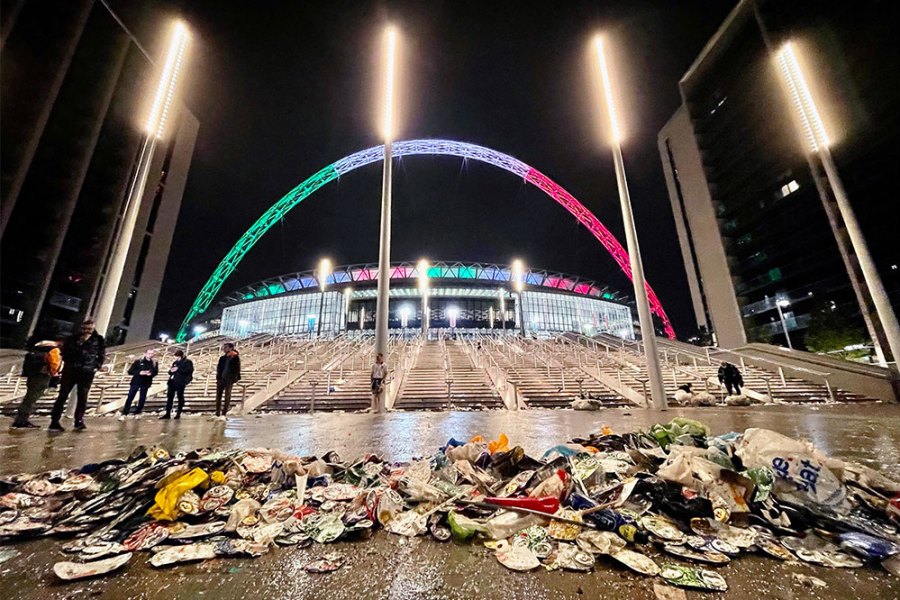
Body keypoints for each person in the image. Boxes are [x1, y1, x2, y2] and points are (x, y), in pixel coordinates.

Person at [49, 318, 106, 431]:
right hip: (71, 370)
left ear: (93, 328)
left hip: (87, 372)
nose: (87, 331)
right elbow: (64, 352)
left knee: (82, 397)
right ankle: (55, 421)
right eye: (85, 328)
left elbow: (101, 354)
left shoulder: (98, 340)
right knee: (63, 395)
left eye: (89, 329)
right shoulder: (73, 339)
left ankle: (79, 420)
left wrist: (96, 366)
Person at [11, 338, 61, 428]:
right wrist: (54, 374)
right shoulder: (53, 350)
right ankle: (21, 421)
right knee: (31, 399)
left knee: (28, 398)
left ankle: (20, 419)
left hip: (32, 376)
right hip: (43, 375)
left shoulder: (35, 350)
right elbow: (54, 363)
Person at [119, 349, 159, 418]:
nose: (150, 355)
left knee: (142, 398)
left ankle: (138, 411)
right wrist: (139, 373)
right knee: (130, 396)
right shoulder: (138, 361)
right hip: (136, 381)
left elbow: (155, 372)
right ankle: (125, 412)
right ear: (145, 353)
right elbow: (130, 371)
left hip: (146, 382)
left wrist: (151, 374)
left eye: (152, 353)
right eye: (149, 353)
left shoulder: (154, 363)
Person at [161, 349, 194, 420]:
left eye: (177, 356)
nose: (176, 358)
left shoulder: (187, 362)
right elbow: (171, 371)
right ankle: (167, 413)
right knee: (170, 397)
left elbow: (189, 370)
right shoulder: (175, 362)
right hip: (172, 381)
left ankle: (178, 413)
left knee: (180, 397)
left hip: (181, 382)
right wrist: (170, 371)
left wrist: (178, 369)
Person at [215, 343, 241, 417]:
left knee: (227, 396)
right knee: (218, 396)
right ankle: (217, 412)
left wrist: (233, 378)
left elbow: (237, 369)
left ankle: (224, 413)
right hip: (221, 379)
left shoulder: (235, 358)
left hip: (229, 379)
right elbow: (219, 368)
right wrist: (218, 377)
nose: (224, 349)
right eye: (224, 347)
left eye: (226, 347)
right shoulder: (222, 358)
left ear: (231, 348)